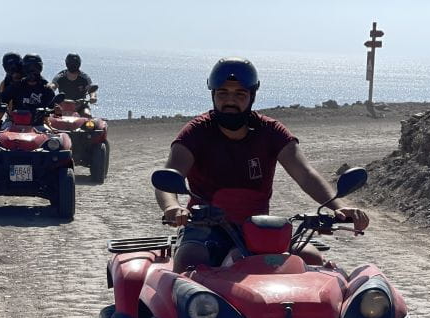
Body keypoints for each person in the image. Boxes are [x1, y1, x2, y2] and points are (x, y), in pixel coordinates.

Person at [155, 57, 369, 272]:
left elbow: (304, 173)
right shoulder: (197, 132)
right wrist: (172, 207)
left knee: (311, 259)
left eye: (239, 94)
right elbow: (169, 176)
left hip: (258, 226)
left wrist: (340, 207)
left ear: (252, 96)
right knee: (190, 261)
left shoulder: (270, 131)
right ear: (213, 95)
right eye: (223, 93)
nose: (230, 101)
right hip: (205, 226)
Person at [0, 54, 57, 126]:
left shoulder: (46, 88)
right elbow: (1, 100)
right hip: (14, 123)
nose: (32, 71)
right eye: (28, 68)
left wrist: (56, 109)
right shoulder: (14, 86)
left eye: (35, 68)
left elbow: (52, 106)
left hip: (38, 126)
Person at [0, 52, 24, 131]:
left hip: (35, 122)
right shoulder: (6, 82)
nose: (14, 69)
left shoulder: (33, 81)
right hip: (14, 120)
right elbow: (0, 101)